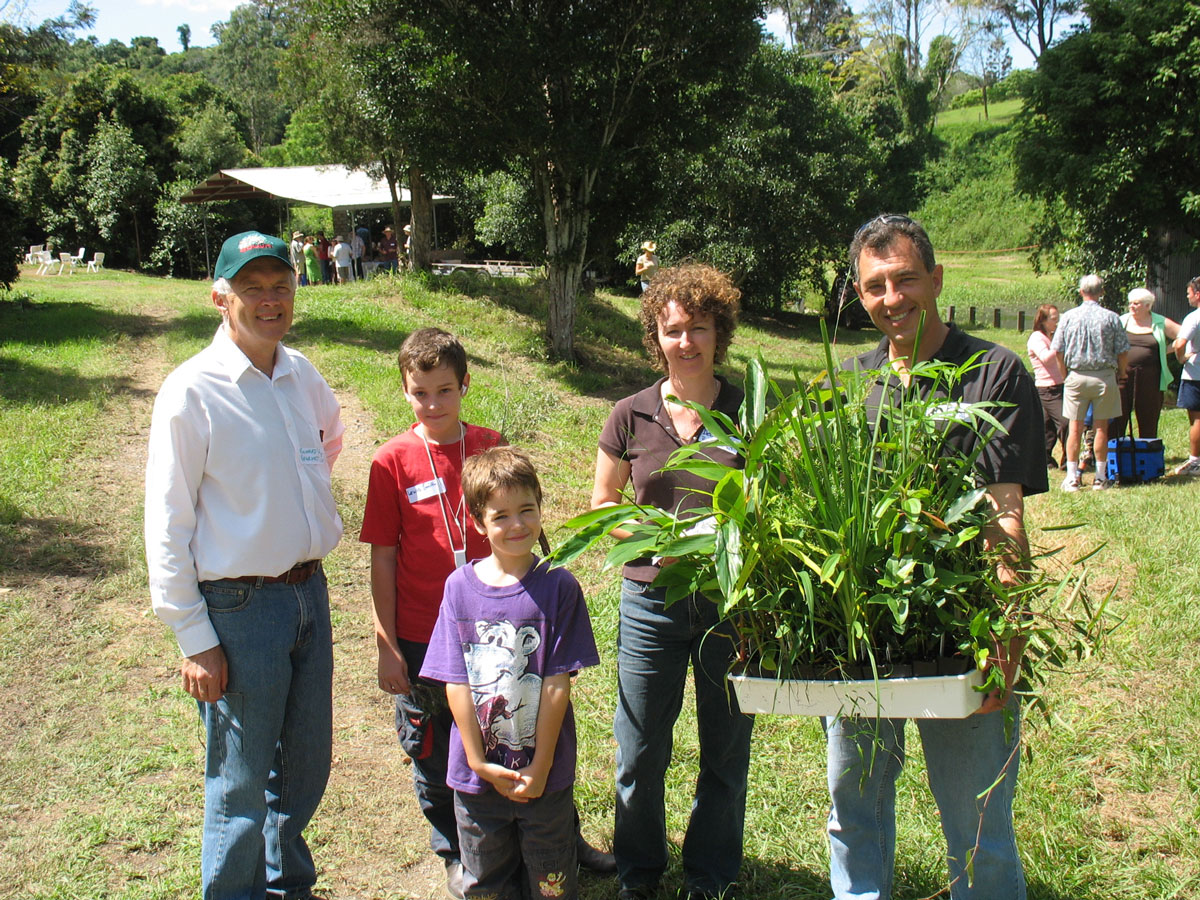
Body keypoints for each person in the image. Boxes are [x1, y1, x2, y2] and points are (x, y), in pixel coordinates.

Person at [828, 214, 1048, 900]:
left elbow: (1003, 510)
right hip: (863, 630)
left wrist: (1007, 625)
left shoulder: (993, 371)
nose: (891, 298)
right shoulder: (852, 383)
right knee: (853, 806)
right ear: (859, 296)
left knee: (976, 816)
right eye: (875, 286)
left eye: (906, 279)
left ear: (938, 279)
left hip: (963, 624)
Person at [360, 329, 613, 899]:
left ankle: (561, 840)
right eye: (420, 392)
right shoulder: (390, 461)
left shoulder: (489, 444)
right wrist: (386, 642)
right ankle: (457, 848)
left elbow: (524, 521)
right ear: (404, 391)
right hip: (426, 633)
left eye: (444, 390)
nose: (433, 403)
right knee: (434, 749)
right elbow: (383, 556)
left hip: (503, 627)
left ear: (464, 385)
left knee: (520, 734)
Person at [145, 230, 344, 900]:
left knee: (306, 766)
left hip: (307, 595)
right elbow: (166, 523)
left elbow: (328, 438)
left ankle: (288, 885)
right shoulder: (191, 392)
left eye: (280, 287)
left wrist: (288, 508)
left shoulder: (299, 372)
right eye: (252, 288)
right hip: (239, 608)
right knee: (239, 782)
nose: (269, 300)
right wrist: (194, 638)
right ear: (220, 297)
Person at [591, 263, 753, 900]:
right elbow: (604, 502)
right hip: (650, 601)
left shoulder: (746, 409)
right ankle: (639, 871)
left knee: (725, 748)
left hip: (728, 604)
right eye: (674, 329)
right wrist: (655, 544)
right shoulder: (630, 415)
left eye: (700, 328)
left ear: (721, 333)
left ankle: (709, 875)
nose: (686, 341)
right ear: (655, 336)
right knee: (639, 748)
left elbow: (772, 503)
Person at [421, 448, 600, 900]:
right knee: (485, 881)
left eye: (527, 510)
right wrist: (479, 762)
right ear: (479, 522)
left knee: (552, 880)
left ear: (542, 507)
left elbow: (557, 685)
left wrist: (540, 769)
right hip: (476, 780)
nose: (517, 525)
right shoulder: (458, 588)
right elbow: (455, 682)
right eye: (501, 515)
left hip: (546, 776)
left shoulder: (560, 586)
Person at [1051, 274, 1129, 491]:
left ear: (1080, 291)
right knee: (1101, 428)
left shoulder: (1068, 317)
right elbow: (1123, 351)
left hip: (1076, 375)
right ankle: (1101, 477)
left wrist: (1065, 373)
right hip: (1104, 375)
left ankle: (1072, 477)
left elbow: (1057, 349)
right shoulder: (1112, 317)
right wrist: (1121, 373)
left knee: (1074, 428)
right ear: (1101, 292)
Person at [1110, 288, 1179, 441]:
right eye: (1130, 303)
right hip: (1123, 374)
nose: (1132, 307)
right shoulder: (1122, 321)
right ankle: (1115, 452)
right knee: (1118, 415)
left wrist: (1166, 350)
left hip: (1150, 377)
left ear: (1148, 306)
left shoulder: (1160, 321)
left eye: (1136, 304)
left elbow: (1183, 336)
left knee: (1149, 414)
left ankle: (1147, 451)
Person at [1027, 304, 1068, 468]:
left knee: (1046, 427)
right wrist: (1060, 344)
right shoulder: (1037, 338)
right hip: (1047, 388)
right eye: (1054, 319)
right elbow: (1046, 358)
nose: (1057, 322)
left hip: (1059, 385)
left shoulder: (1050, 337)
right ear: (1042, 320)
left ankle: (1043, 459)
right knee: (1066, 423)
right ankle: (1069, 459)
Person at [1172, 276, 1200, 475]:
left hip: (1196, 374)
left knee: (1197, 419)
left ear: (1198, 295)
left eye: (1189, 293)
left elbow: (1180, 343)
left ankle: (1195, 461)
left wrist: (1181, 358)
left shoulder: (1194, 317)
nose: (1187, 296)